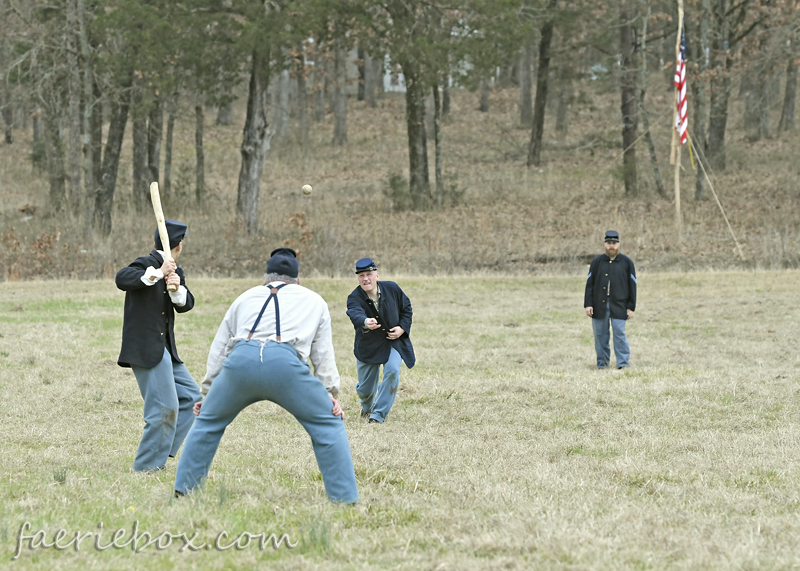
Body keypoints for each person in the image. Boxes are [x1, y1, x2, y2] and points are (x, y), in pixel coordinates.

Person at [174, 248, 358, 504]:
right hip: (286, 366)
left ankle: (184, 490)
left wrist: (210, 394)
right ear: (297, 280)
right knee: (328, 424)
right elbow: (323, 353)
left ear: (265, 278)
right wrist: (329, 394)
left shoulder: (244, 298)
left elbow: (220, 349)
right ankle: (345, 499)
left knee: (206, 423)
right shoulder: (315, 300)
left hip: (240, 362)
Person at [116, 220, 201, 472]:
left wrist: (176, 287)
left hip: (165, 350)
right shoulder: (145, 263)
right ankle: (147, 467)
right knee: (163, 408)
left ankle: (161, 452)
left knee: (191, 397)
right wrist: (158, 273)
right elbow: (123, 278)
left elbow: (186, 304)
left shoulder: (175, 270)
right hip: (145, 349)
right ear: (180, 244)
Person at [346, 257, 415, 424]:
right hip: (368, 346)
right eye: (361, 276)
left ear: (377, 275)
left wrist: (402, 328)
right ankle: (367, 406)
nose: (365, 279)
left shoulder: (392, 288)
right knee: (365, 389)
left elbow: (406, 308)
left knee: (392, 372)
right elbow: (354, 313)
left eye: (369, 274)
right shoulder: (354, 297)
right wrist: (365, 322)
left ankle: (377, 415)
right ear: (358, 279)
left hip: (393, 342)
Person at [584, 230, 637, 370]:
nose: (611, 246)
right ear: (605, 244)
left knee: (619, 334)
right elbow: (589, 284)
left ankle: (623, 363)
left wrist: (631, 306)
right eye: (609, 243)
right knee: (600, 335)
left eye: (614, 243)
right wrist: (588, 304)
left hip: (619, 305)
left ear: (618, 244)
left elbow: (633, 285)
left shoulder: (627, 263)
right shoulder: (596, 262)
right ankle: (602, 363)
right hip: (598, 305)